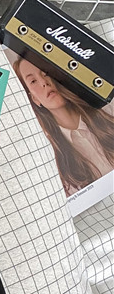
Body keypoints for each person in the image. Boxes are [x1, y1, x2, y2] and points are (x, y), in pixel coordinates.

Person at [13, 57, 114, 196]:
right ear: (34, 98)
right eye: (33, 81)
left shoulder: (107, 109)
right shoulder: (51, 156)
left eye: (46, 73)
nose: (44, 82)